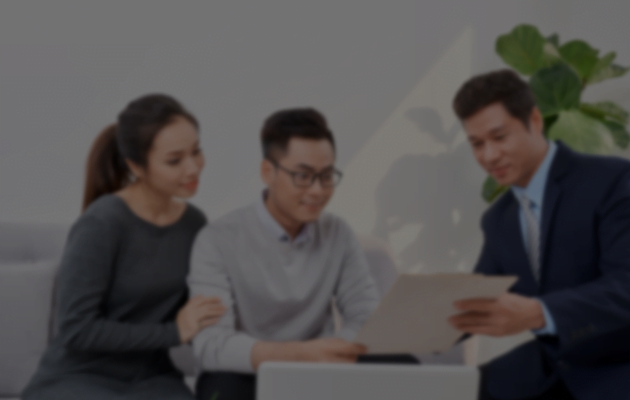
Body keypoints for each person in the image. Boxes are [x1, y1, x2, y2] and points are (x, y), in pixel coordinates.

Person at [447, 69, 630, 400]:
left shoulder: (612, 181)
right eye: (477, 144)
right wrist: (371, 347)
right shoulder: (498, 218)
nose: (488, 156)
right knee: (448, 391)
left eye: (500, 137)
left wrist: (536, 312)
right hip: (556, 367)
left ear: (535, 120)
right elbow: (474, 303)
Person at [22, 94, 226, 400]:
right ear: (136, 166)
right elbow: (77, 329)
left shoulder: (193, 223)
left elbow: (195, 307)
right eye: (175, 160)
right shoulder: (102, 224)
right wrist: (172, 332)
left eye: (196, 152)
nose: (194, 167)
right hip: (80, 377)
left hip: (152, 379)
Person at [188, 108, 379, 400]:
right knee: (222, 386)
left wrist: (329, 352)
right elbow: (211, 344)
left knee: (404, 365)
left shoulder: (338, 233)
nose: (317, 190)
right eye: (303, 176)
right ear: (268, 172)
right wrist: (300, 355)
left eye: (327, 176)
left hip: (321, 371)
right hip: (247, 373)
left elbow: (366, 320)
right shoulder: (217, 240)